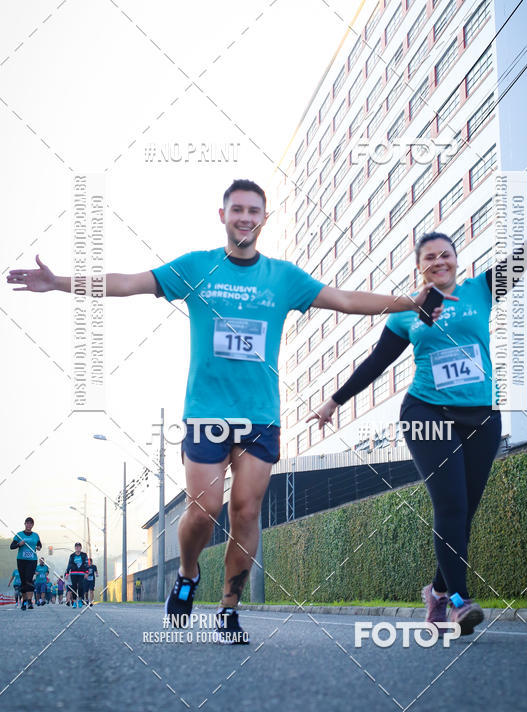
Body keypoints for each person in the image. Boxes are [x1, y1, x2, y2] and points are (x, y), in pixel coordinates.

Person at [6, 179, 452, 644]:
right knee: (204, 509)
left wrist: (409, 303)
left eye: (253, 210)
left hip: (261, 415)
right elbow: (130, 283)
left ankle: (228, 609)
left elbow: (344, 300)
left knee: (245, 511)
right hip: (206, 413)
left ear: (264, 218)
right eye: (236, 209)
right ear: (223, 216)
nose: (245, 217)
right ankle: (187, 573)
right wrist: (59, 283)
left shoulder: (284, 278)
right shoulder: (197, 267)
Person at [310, 175, 527, 636]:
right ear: (419, 268)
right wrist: (333, 401)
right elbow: (377, 362)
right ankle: (460, 602)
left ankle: (437, 592)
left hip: (482, 414)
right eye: (429, 258)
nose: (438, 262)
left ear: (456, 261)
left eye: (445, 255)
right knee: (450, 506)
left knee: (467, 509)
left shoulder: (482, 289)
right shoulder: (408, 310)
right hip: (426, 413)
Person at [10, 517, 41, 610]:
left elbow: (39, 544)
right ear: (25, 524)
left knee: (29, 579)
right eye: (27, 523)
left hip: (32, 560)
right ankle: (24, 601)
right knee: (23, 580)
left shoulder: (36, 535)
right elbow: (12, 546)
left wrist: (38, 547)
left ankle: (30, 601)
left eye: (31, 524)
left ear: (32, 525)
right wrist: (19, 544)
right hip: (21, 560)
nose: (29, 525)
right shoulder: (19, 535)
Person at [65, 543, 89, 608]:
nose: (77, 548)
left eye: (79, 547)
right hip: (74, 573)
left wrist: (87, 572)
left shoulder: (84, 555)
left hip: (81, 573)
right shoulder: (72, 556)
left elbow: (87, 564)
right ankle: (74, 602)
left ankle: (80, 600)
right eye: (76, 547)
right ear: (75, 548)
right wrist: (67, 573)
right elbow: (69, 565)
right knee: (74, 588)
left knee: (81, 587)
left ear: (81, 548)